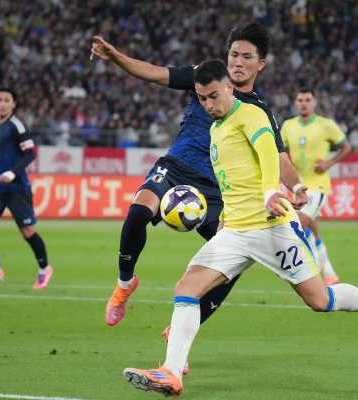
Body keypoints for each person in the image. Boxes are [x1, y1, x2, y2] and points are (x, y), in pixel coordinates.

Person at [122, 59, 358, 397]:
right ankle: (171, 373)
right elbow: (231, 180)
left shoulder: (252, 115)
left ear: (229, 88)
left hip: (271, 226)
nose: (208, 104)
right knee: (188, 287)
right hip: (235, 231)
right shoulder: (217, 129)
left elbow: (269, 155)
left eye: (213, 96)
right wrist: (225, 218)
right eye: (202, 99)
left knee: (320, 299)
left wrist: (270, 190)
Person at [90, 22, 308, 328]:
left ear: (260, 64)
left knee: (232, 262)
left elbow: (280, 158)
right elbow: (155, 73)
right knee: (138, 212)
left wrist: (297, 186)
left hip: (217, 191)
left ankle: (184, 327)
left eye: (246, 57)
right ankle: (125, 284)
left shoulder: (259, 111)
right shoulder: (204, 77)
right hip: (176, 168)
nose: (238, 62)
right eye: (234, 55)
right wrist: (116, 57)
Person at [0, 88, 54, 289]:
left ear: (13, 104)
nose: (2, 103)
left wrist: (12, 173)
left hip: (17, 187)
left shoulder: (17, 126)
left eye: (6, 100)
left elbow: (30, 153)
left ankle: (44, 268)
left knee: (27, 231)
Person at [280, 88, 352, 285]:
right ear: (295, 103)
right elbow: (280, 151)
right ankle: (329, 273)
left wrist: (329, 163)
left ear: (314, 103)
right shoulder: (288, 126)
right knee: (311, 229)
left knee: (299, 224)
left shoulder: (326, 125)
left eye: (307, 100)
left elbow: (346, 147)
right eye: (300, 100)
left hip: (317, 185)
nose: (303, 103)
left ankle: (309, 273)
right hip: (297, 186)